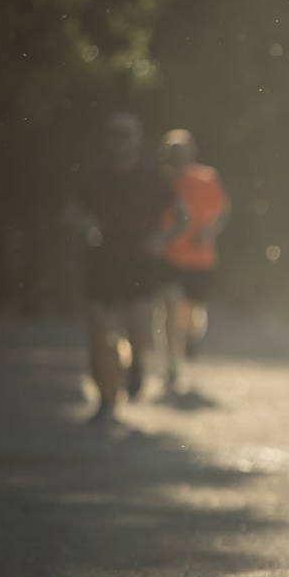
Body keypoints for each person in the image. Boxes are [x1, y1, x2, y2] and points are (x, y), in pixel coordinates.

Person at [65, 114, 189, 424]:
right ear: (106, 139)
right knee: (98, 332)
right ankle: (106, 398)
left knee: (138, 325)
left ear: (137, 138)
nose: (120, 142)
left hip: (139, 262)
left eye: (126, 135)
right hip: (101, 261)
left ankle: (136, 365)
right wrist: (86, 225)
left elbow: (182, 215)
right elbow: (70, 212)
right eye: (114, 135)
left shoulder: (151, 175)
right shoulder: (94, 174)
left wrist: (163, 239)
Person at [156, 129, 230, 390]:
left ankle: (191, 339)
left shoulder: (207, 178)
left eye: (183, 153)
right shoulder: (161, 181)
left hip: (200, 257)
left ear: (191, 153)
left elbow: (222, 211)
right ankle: (171, 365)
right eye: (173, 153)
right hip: (170, 255)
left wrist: (208, 232)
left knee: (193, 312)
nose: (178, 158)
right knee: (170, 309)